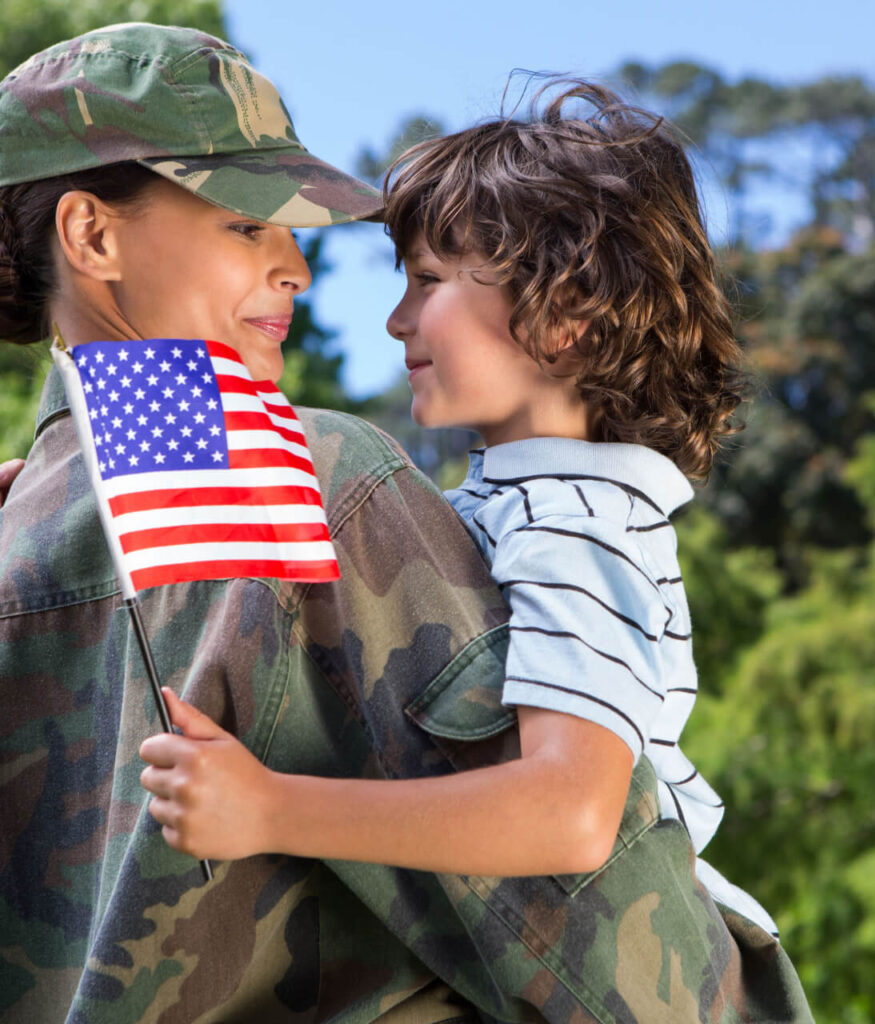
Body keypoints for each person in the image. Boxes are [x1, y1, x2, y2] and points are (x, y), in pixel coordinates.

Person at [136, 81, 815, 1022]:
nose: (396, 321)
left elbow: (573, 813)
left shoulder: (579, 521)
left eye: (428, 281)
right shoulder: (522, 503)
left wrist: (272, 807)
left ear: (565, 311)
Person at [0, 22, 501, 1024]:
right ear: (92, 235)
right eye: (244, 224)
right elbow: (578, 918)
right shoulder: (319, 477)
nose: (296, 267)